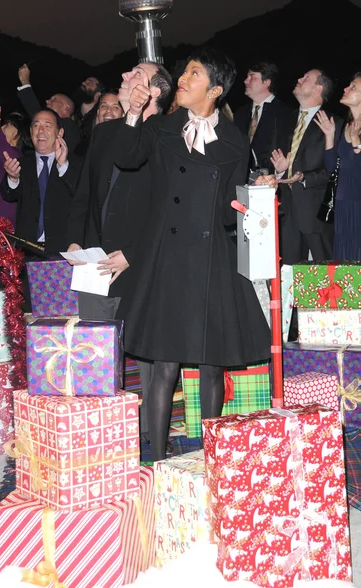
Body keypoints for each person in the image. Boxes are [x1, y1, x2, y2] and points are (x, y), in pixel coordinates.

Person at [113, 47, 271, 461]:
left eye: (194, 74)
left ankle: (210, 457)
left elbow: (225, 211)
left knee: (211, 363)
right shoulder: (161, 128)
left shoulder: (236, 140)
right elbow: (126, 157)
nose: (183, 79)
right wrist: (132, 114)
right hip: (168, 257)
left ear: (215, 89)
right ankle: (159, 458)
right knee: (165, 363)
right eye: (185, 72)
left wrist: (254, 196)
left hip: (211, 259)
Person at [66, 62, 173, 443]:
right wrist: (76, 241)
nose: (125, 78)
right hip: (93, 259)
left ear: (155, 92)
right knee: (94, 346)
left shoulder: (166, 134)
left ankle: (148, 434)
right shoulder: (106, 131)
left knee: (144, 350)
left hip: (138, 260)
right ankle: (99, 432)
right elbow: (85, 193)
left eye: (136, 75)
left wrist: (132, 254)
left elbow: (166, 207)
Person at [271, 69, 340, 264]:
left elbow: (334, 170)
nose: (299, 79)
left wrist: (304, 177)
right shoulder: (284, 119)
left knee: (326, 277)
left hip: (317, 214)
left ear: (318, 88)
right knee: (289, 276)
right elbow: (275, 158)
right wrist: (280, 170)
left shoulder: (334, 123)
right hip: (287, 213)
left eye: (306, 78)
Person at [1, 109, 82, 255]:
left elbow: (82, 197)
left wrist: (63, 165)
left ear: (60, 133)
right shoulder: (20, 163)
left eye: (47, 126)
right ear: (31, 132)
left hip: (64, 250)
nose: (41, 131)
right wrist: (13, 178)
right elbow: (8, 196)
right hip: (26, 249)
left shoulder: (75, 163)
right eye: (36, 126)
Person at [315, 73, 361, 259]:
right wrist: (329, 135)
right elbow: (331, 166)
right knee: (345, 260)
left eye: (353, 87)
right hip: (343, 205)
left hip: (358, 205)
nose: (345, 89)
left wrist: (357, 141)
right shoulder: (346, 125)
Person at [234, 61, 290, 176]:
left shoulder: (285, 114)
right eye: (247, 77)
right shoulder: (240, 113)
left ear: (266, 83)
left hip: (269, 183)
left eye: (252, 77)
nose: (246, 81)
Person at [17, 64, 80, 153]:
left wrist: (25, 82)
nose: (47, 101)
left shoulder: (70, 127)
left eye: (54, 99)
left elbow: (36, 113)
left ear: (66, 108)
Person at [74, 75, 105, 155]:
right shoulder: (73, 118)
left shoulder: (100, 118)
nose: (83, 83)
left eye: (89, 82)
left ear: (97, 95)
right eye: (85, 81)